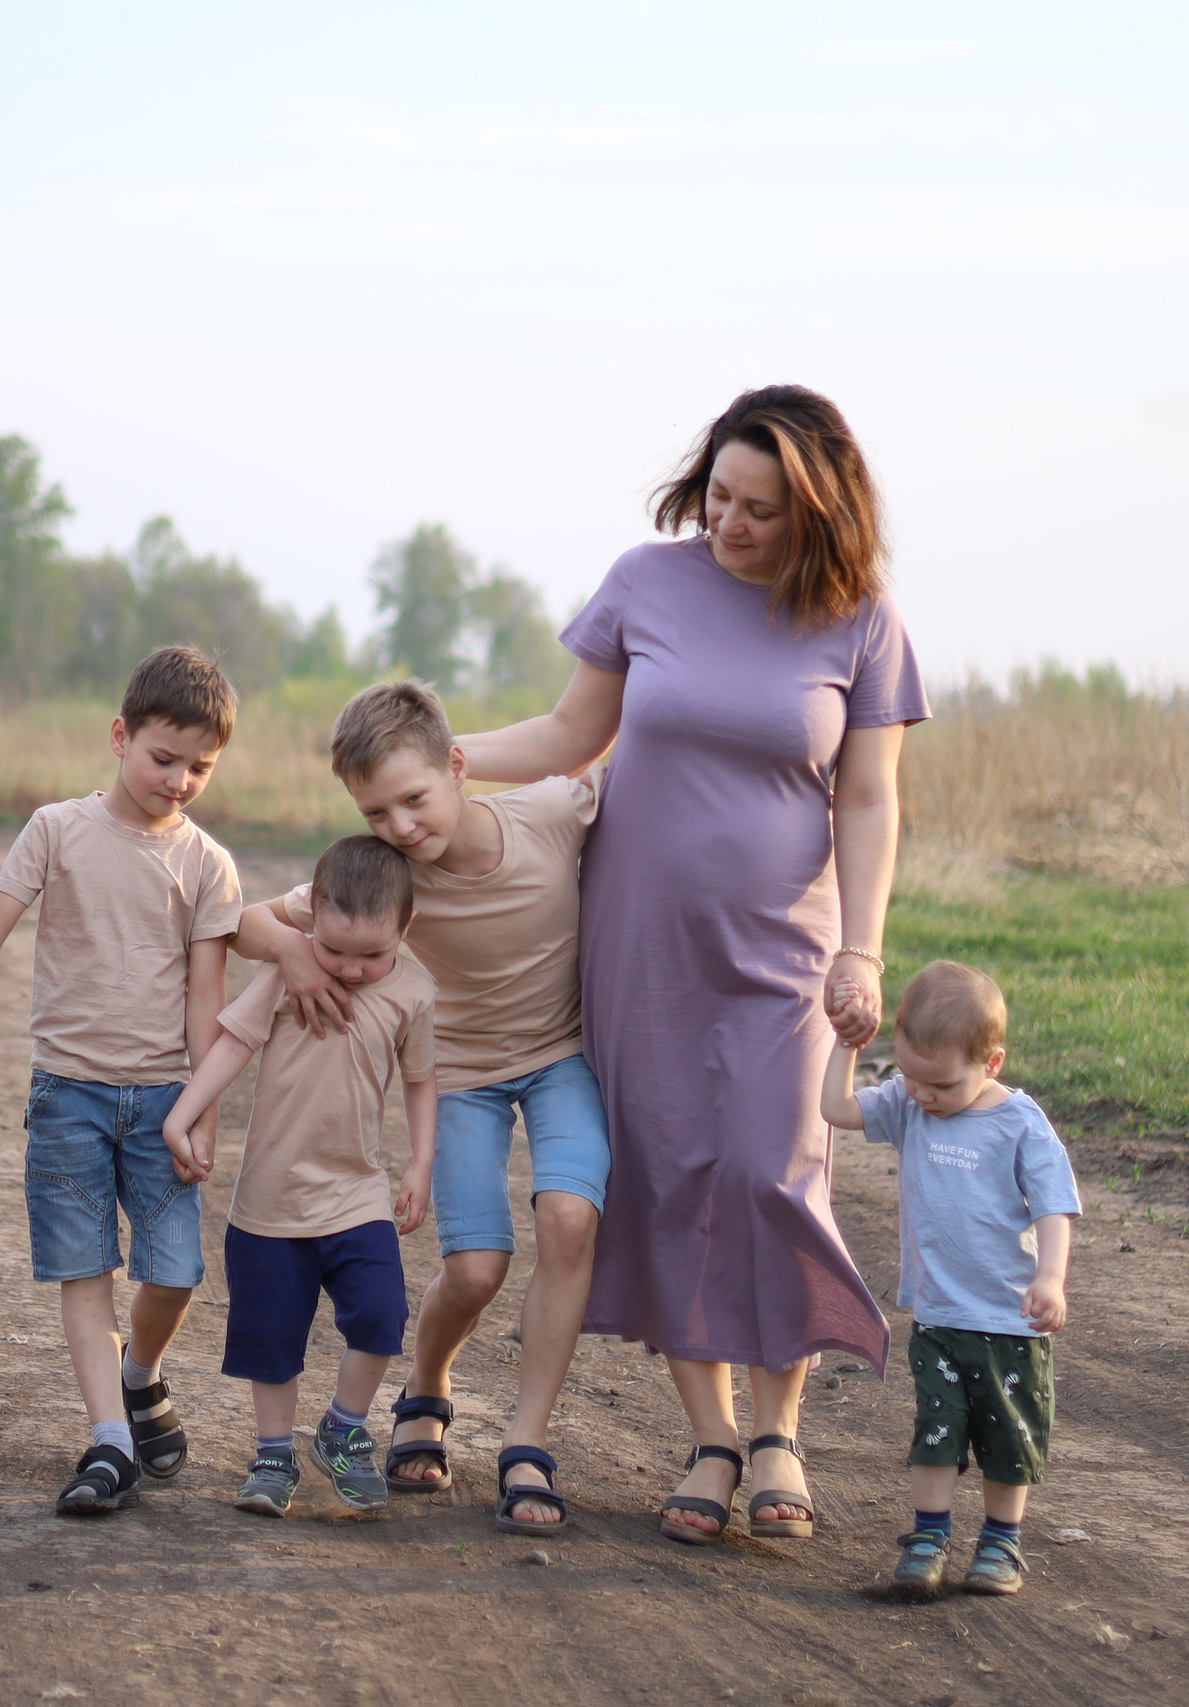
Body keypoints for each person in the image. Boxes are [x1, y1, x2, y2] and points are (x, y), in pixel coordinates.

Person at [454, 384, 929, 1543]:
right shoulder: (645, 582)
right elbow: (571, 735)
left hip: (787, 948)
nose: (729, 523)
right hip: (642, 937)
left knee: (772, 1173)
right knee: (668, 1175)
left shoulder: (862, 619)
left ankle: (780, 1431)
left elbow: (869, 797)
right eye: (718, 495)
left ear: (816, 511)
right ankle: (715, 1438)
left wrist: (862, 949)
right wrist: (439, 756)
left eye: (760, 509)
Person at [233, 681, 604, 1533]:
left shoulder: (550, 813)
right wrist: (291, 949)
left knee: (570, 1219)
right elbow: (245, 920)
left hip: (562, 1056)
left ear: (458, 766)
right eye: (375, 811)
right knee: (476, 1269)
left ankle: (526, 1440)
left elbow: (643, 782)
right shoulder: (387, 879)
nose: (399, 825)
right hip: (464, 1073)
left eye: (413, 798)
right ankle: (427, 1382)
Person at [0, 647, 243, 1518]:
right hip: (67, 1092)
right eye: (163, 757)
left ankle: (141, 1374)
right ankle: (109, 1440)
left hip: (164, 1100)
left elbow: (206, 998)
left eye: (200, 767)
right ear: (119, 736)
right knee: (85, 1267)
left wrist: (203, 1109)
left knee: (175, 1270)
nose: (178, 780)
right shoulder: (57, 828)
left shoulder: (207, 863)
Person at [161, 836, 437, 1518]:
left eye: (372, 954)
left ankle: (343, 1428)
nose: (351, 969)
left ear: (406, 926)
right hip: (271, 1199)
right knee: (272, 1337)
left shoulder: (413, 989)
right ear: (312, 917)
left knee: (381, 1312)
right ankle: (274, 1452)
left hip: (356, 1193)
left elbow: (421, 1079)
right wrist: (183, 1115)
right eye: (335, 949)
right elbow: (234, 1042)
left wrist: (421, 1163)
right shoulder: (289, 971)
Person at [818, 960, 1080, 1598]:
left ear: (992, 1063)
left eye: (940, 1083)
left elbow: (1054, 1206)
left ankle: (1001, 1543)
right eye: (909, 1075)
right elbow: (835, 1108)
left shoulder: (1021, 1124)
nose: (922, 1094)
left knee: (1008, 1436)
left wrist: (1050, 1278)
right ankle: (928, 1538)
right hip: (937, 1318)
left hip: (1009, 1321)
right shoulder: (909, 1106)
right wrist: (846, 1044)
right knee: (936, 1433)